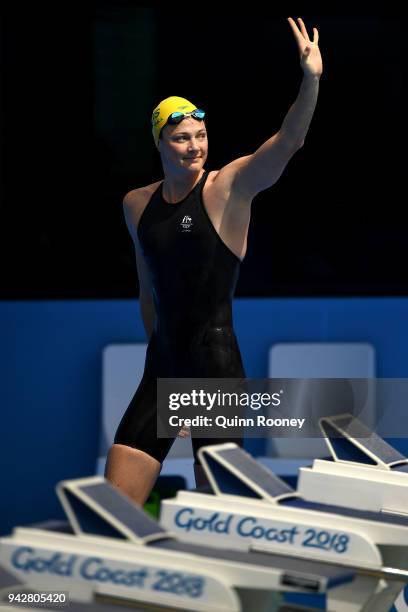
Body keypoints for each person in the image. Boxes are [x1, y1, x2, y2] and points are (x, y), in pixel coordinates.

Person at [105, 17, 323, 505]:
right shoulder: (135, 204)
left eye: (201, 136)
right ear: (160, 142)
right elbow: (149, 293)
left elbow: (288, 142)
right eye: (182, 138)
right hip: (162, 367)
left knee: (216, 514)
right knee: (112, 509)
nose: (195, 147)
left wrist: (310, 80)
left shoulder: (227, 189)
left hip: (216, 368)